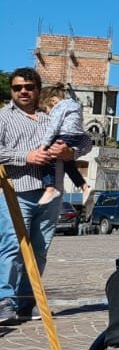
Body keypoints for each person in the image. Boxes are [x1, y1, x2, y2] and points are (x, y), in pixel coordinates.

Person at [0, 68, 91, 326]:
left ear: (38, 89)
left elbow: (85, 140)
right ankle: (5, 301)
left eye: (29, 87)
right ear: (12, 90)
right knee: (13, 246)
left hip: (51, 193)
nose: (23, 91)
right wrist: (26, 156)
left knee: (40, 249)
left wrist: (70, 152)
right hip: (16, 191)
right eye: (18, 87)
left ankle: (26, 302)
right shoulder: (3, 117)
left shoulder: (52, 114)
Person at [33, 85, 89, 206]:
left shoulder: (59, 108)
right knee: (69, 164)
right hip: (76, 136)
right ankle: (84, 186)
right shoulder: (74, 105)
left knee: (46, 158)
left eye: (46, 109)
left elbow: (53, 128)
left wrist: (43, 146)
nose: (48, 113)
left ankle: (50, 188)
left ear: (52, 101)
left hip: (65, 135)